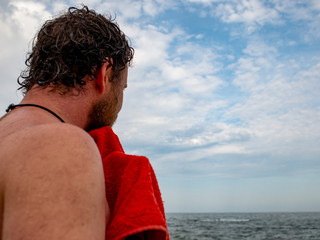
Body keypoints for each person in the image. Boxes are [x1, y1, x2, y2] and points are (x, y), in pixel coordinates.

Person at [0, 6, 169, 240]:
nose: (121, 102)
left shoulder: (10, 135)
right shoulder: (59, 147)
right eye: (123, 88)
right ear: (104, 74)